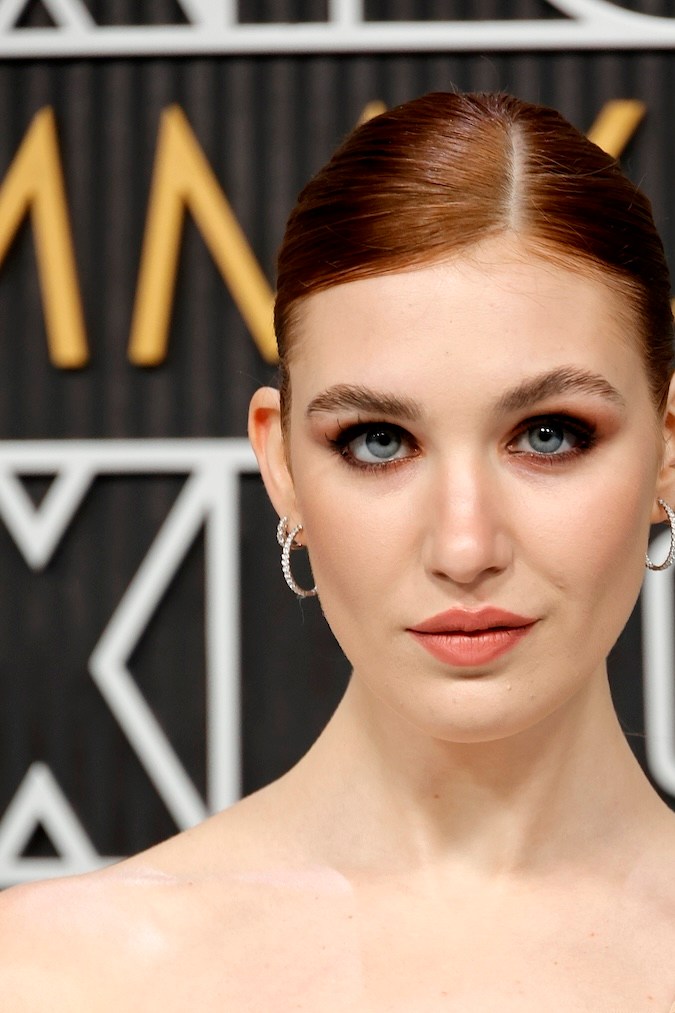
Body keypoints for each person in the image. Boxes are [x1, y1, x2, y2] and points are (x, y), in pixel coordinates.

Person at [1, 90, 675, 1011]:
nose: (465, 546)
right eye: (379, 441)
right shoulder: (55, 975)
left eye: (549, 434)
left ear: (667, 445)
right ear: (280, 464)